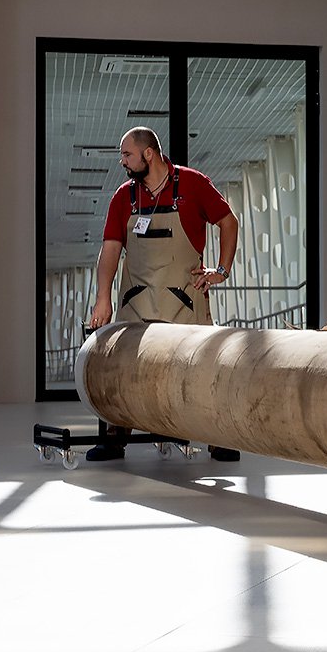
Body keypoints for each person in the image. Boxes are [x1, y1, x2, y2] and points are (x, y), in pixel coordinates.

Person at [85, 126, 241, 462]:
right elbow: (111, 249)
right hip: (137, 301)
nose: (122, 162)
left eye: (127, 155)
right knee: (122, 369)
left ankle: (217, 437)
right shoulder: (124, 197)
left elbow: (229, 222)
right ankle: (115, 437)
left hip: (184, 299)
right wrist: (103, 297)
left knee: (202, 366)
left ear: (148, 154)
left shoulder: (193, 184)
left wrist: (221, 271)